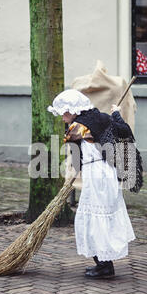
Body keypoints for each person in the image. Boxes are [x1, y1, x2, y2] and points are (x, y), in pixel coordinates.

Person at [47, 89, 136, 279]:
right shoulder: (100, 118)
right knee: (96, 216)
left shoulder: (77, 127)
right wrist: (116, 114)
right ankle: (103, 264)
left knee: (95, 218)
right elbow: (125, 131)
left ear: (74, 109)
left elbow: (74, 153)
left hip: (97, 176)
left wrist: (73, 173)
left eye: (64, 112)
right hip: (105, 172)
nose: (62, 117)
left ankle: (105, 266)